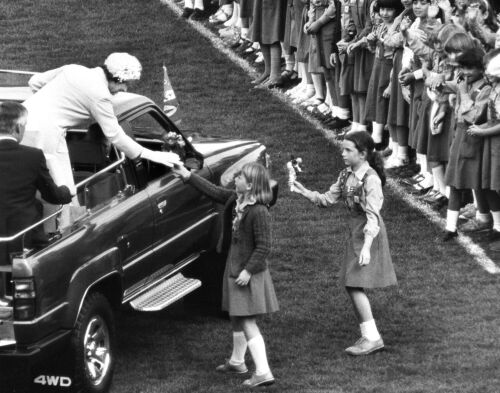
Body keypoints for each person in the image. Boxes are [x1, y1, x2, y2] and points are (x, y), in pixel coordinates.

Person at [21, 53, 180, 227]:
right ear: (116, 78)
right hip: (46, 136)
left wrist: (51, 106)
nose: (125, 89)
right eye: (125, 83)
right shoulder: (100, 96)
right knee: (62, 192)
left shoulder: (73, 69)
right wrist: (151, 154)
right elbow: (115, 135)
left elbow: (34, 82)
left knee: (30, 183)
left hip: (20, 123)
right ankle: (57, 234)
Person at [172, 162, 279, 387]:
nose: (235, 179)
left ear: (249, 186)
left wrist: (248, 271)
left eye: (239, 177)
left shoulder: (259, 211)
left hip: (247, 270)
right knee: (236, 315)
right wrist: (187, 176)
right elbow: (215, 192)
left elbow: (264, 247)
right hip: (236, 265)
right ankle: (237, 361)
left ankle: (263, 372)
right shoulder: (237, 199)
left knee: (247, 319)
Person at [291, 130, 397, 356]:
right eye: (343, 149)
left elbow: (373, 216)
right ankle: (368, 335)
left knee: (353, 284)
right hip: (356, 233)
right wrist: (304, 192)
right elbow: (326, 200)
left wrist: (367, 246)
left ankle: (372, 338)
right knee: (352, 284)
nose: (343, 154)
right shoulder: (346, 175)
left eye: (348, 150)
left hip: (368, 234)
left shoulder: (371, 180)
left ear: (363, 153)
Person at [0, 102, 73, 270]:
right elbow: (52, 196)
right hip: (24, 240)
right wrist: (67, 190)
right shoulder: (32, 156)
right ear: (18, 128)